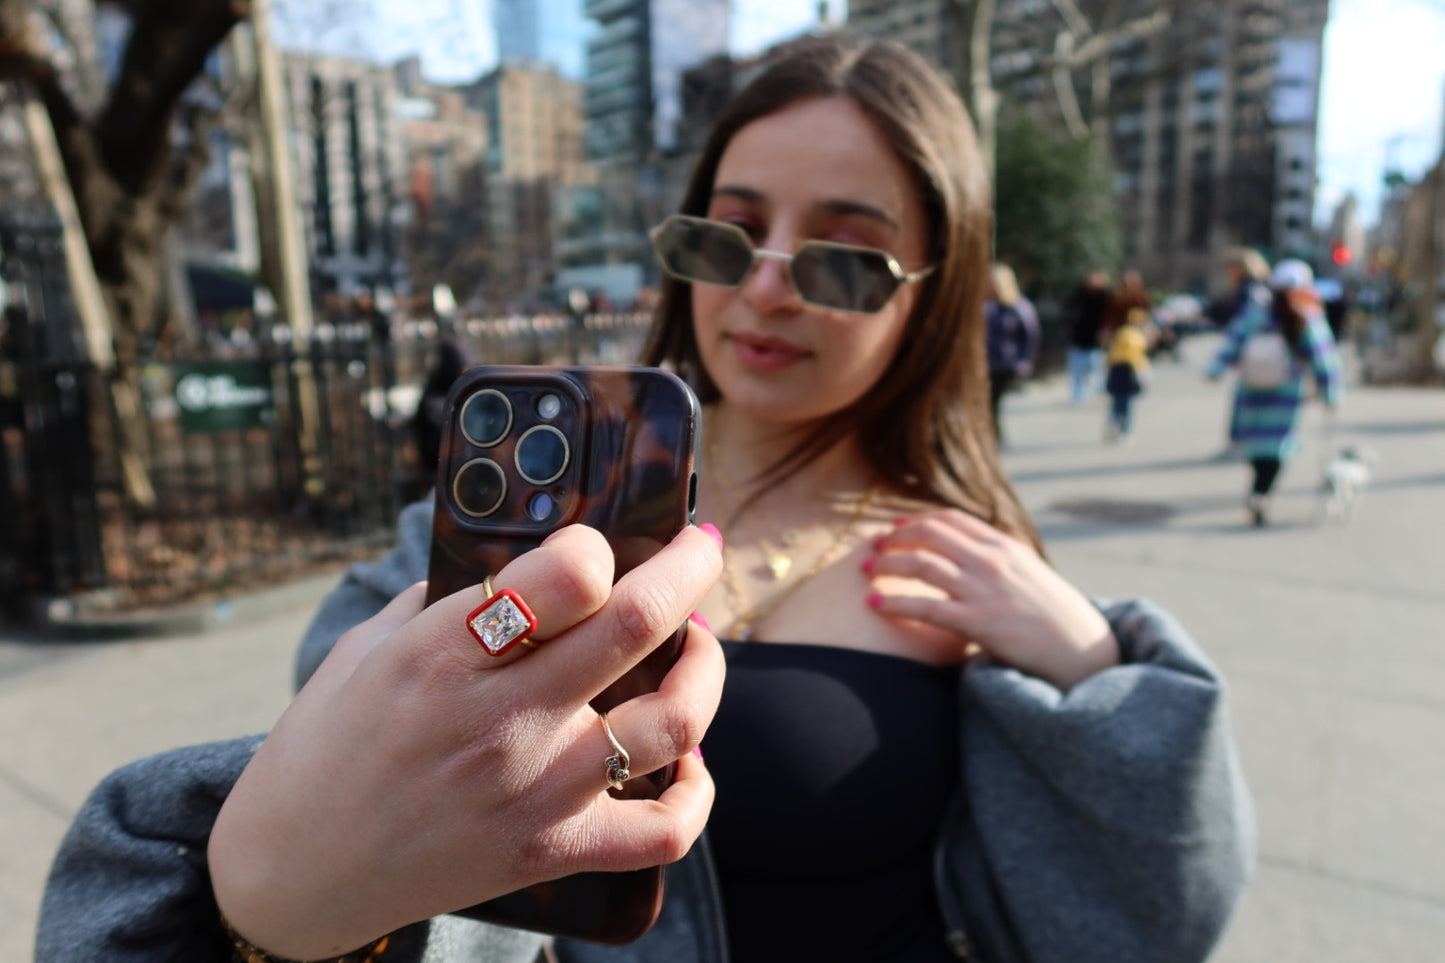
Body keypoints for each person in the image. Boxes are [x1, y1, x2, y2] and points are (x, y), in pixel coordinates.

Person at [39, 36, 1254, 963]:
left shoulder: (965, 563)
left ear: (934, 291)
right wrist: (267, 904)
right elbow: (352, 794)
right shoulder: (523, 529)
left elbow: (1155, 915)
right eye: (728, 237)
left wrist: (1097, 672)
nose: (765, 289)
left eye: (840, 256)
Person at [1207, 258, 1343, 526]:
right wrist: (1330, 392)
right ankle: (1262, 492)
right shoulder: (1307, 317)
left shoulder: (1256, 313)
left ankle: (1258, 490)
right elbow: (1323, 358)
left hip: (1252, 388)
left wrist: (1216, 368)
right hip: (1285, 392)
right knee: (1276, 446)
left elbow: (1232, 341)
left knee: (1257, 445)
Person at [1214, 248, 1273, 459]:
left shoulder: (1250, 290)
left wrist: (1230, 354)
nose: (1227, 272)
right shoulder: (1258, 288)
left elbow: (1245, 323)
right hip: (1257, 351)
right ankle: (1246, 441)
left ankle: (1241, 441)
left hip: (1252, 351)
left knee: (1246, 397)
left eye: (1231, 267)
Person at [984, 262, 1040, 445]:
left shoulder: (1018, 307)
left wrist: (1024, 360)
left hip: (1005, 363)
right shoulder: (985, 306)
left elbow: (1030, 335)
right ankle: (993, 437)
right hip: (984, 362)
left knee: (992, 401)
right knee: (988, 402)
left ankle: (994, 438)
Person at [1103, 307, 1151, 444]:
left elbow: (1112, 353)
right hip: (1129, 371)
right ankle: (1124, 431)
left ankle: (1113, 428)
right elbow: (1137, 354)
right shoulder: (1135, 334)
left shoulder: (1122, 332)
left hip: (1116, 370)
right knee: (1127, 405)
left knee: (1117, 403)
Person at [1064, 269, 1111, 403]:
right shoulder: (1079, 295)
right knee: (1077, 371)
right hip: (1078, 339)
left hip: (1096, 342)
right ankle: (1078, 395)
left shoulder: (1106, 297)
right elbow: (1069, 314)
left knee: (1096, 370)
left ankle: (1097, 393)